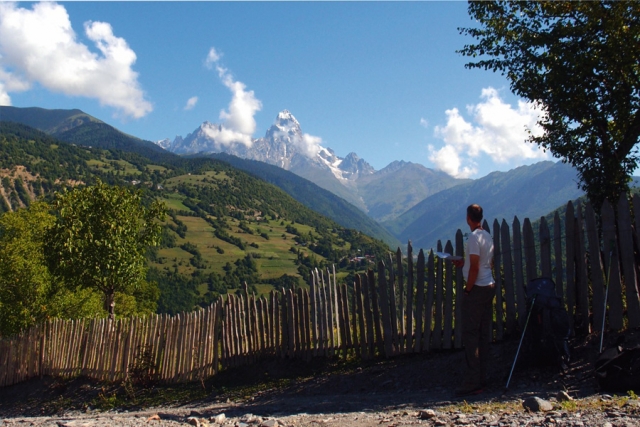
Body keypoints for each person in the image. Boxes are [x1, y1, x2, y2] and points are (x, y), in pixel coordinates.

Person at [451, 204, 495, 396]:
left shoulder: (474, 238)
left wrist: (468, 290)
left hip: (477, 288)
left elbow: (475, 268)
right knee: (483, 334)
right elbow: (485, 262)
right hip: (489, 285)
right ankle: (483, 378)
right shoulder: (487, 235)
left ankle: (472, 382)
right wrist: (464, 263)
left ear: (468, 218)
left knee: (470, 336)